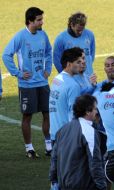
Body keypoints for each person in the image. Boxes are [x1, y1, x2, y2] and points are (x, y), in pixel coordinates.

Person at [2, 7, 52, 158]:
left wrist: (47, 69)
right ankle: (29, 148)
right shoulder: (20, 37)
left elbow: (49, 52)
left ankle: (49, 146)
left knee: (48, 114)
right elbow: (6, 55)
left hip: (42, 83)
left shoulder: (43, 35)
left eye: (41, 19)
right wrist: (18, 73)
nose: (42, 22)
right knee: (27, 116)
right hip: (27, 85)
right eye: (39, 20)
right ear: (30, 21)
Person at [49, 94, 107, 190]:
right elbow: (95, 162)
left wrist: (53, 180)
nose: (96, 112)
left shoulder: (62, 129)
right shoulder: (89, 132)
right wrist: (102, 186)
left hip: (63, 184)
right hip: (82, 185)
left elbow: (54, 157)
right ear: (88, 111)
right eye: (95, 109)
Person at [49, 47, 82, 143]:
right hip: (66, 136)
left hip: (54, 133)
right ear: (69, 64)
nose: (81, 65)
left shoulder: (56, 79)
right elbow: (74, 113)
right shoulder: (73, 85)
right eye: (78, 62)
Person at [53, 12, 95, 76]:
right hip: (72, 78)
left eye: (82, 29)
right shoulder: (61, 39)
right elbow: (57, 60)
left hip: (89, 77)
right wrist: (66, 75)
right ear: (72, 25)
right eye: (78, 30)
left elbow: (91, 55)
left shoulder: (90, 35)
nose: (80, 32)